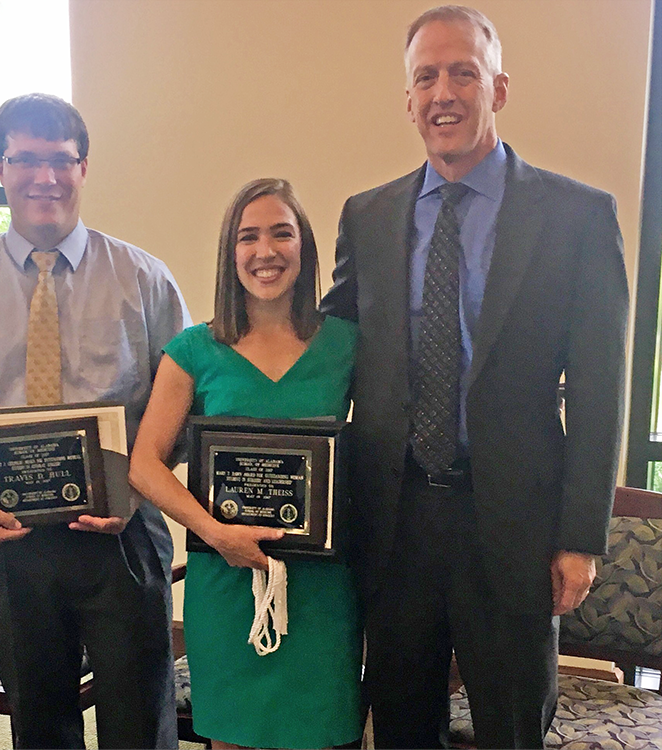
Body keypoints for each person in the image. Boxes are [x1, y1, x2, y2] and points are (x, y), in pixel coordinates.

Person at [320, 6, 629, 748]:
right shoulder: (368, 216)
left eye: (464, 72)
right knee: (398, 723)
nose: (443, 93)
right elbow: (326, 348)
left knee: (513, 727)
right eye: (425, 77)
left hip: (514, 526)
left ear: (500, 87)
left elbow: (599, 388)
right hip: (395, 525)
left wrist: (581, 536)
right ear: (407, 99)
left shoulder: (577, 217)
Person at [0, 93, 191, 750]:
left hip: (123, 533)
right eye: (25, 160)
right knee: (39, 720)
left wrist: (137, 489)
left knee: (140, 720)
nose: (44, 177)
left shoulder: (144, 279)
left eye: (60, 160)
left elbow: (181, 410)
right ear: (1, 168)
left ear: (84, 167)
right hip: (5, 541)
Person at [131, 178, 364, 749]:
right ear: (229, 254)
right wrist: (216, 532)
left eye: (282, 234)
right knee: (232, 738)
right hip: (227, 582)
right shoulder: (192, 349)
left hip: (323, 588)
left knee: (319, 734)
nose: (266, 252)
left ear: (304, 248)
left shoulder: (349, 344)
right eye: (248, 237)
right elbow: (144, 465)